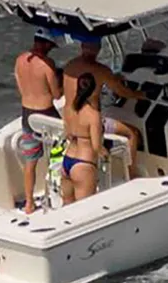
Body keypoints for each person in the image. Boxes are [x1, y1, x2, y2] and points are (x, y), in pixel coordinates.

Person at [62, 35, 146, 179]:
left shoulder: (69, 66)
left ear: (82, 46)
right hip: (91, 127)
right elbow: (122, 92)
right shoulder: (101, 70)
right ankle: (132, 175)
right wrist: (140, 95)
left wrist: (114, 78)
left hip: (70, 122)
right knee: (132, 134)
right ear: (98, 48)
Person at [13, 27, 63, 214]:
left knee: (30, 161)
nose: (51, 49)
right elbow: (57, 95)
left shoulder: (19, 60)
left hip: (27, 114)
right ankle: (61, 194)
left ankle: (28, 203)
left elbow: (21, 87)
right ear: (46, 43)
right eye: (50, 45)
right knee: (62, 152)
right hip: (46, 114)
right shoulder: (47, 65)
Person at [60, 72, 106, 204]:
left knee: (67, 206)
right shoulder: (93, 115)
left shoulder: (68, 110)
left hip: (67, 160)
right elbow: (96, 146)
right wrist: (106, 154)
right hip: (84, 163)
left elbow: (68, 134)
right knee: (84, 208)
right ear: (93, 91)